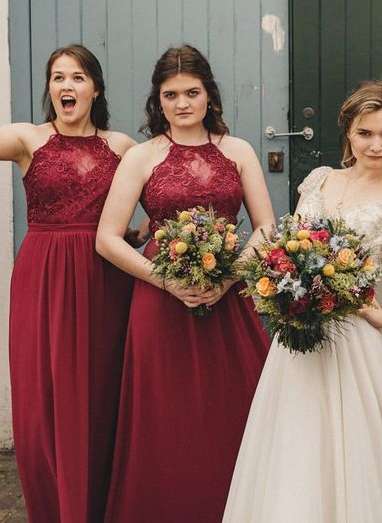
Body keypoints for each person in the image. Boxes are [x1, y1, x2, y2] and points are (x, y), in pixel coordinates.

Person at [223, 79, 382, 522]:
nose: (376, 145)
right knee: (296, 448)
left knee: (358, 456)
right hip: (298, 341)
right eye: (365, 133)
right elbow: (290, 248)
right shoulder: (320, 180)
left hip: (357, 344)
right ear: (348, 133)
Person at [0, 45, 136, 522]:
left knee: (100, 389)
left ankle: (99, 503)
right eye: (57, 78)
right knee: (44, 396)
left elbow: (160, 208)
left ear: (96, 88)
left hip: (104, 277)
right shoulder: (26, 139)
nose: (66, 87)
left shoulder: (123, 148)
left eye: (77, 77)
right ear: (49, 88)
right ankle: (56, 507)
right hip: (43, 275)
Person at [95, 45, 273, 523]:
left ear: (209, 95)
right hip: (160, 299)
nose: (181, 103)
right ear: (158, 100)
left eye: (191, 92)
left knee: (233, 407)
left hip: (228, 296)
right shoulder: (142, 156)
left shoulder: (238, 151)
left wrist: (229, 275)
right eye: (170, 94)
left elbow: (266, 228)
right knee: (166, 417)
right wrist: (167, 283)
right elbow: (108, 239)